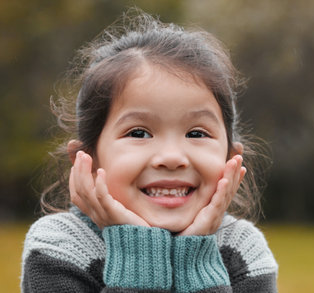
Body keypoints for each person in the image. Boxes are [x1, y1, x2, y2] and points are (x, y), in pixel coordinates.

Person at [21, 9, 278, 293]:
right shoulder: (61, 246)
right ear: (88, 161)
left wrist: (196, 259)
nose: (171, 157)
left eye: (196, 133)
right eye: (139, 133)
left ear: (231, 159)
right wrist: (137, 256)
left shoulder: (242, 251)